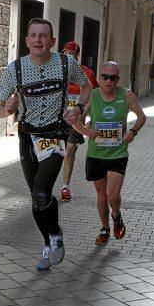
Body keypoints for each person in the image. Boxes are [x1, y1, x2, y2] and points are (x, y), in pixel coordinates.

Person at [0, 18, 92, 270]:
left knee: (41, 192)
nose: (38, 40)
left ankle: (55, 233)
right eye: (33, 35)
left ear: (52, 41)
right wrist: (7, 109)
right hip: (27, 137)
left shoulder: (66, 62)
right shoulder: (14, 69)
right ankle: (49, 243)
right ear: (26, 41)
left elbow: (87, 86)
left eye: (43, 36)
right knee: (36, 198)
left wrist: (79, 108)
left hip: (55, 134)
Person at [73, 61, 146, 245]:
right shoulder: (93, 95)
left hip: (118, 154)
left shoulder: (126, 95)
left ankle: (116, 215)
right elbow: (76, 121)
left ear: (118, 79)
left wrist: (133, 132)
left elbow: (142, 117)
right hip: (96, 154)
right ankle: (105, 228)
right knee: (102, 195)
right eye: (105, 77)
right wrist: (86, 131)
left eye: (112, 78)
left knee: (112, 195)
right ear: (99, 78)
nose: (108, 81)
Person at [60, 41, 99, 203]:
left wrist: (83, 112)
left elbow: (94, 95)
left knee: (69, 152)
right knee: (53, 154)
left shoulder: (87, 73)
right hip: (58, 118)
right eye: (65, 53)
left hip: (76, 118)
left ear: (77, 55)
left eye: (71, 54)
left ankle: (65, 187)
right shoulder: (57, 71)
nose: (68, 56)